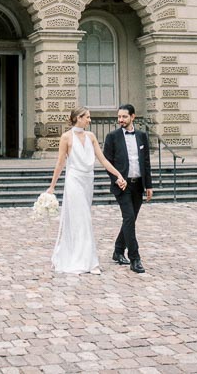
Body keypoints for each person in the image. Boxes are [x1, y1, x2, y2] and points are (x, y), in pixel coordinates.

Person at [47, 107, 128, 275]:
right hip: (74, 181)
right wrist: (52, 186)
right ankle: (88, 262)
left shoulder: (91, 137)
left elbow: (103, 160)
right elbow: (60, 163)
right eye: (88, 117)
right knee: (82, 219)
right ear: (78, 118)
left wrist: (118, 174)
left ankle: (83, 257)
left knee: (83, 218)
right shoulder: (66, 138)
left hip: (87, 181)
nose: (90, 120)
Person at [103, 103, 153, 274]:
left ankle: (118, 251)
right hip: (122, 186)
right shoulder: (112, 137)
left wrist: (149, 185)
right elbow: (107, 163)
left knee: (129, 220)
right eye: (119, 117)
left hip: (138, 184)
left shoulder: (141, 136)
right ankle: (135, 258)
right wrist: (117, 179)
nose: (120, 120)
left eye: (124, 117)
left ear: (133, 117)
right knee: (129, 218)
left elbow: (146, 162)